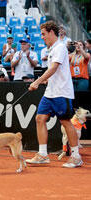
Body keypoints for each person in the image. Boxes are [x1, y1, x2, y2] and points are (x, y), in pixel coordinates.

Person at [26, 20, 83, 168]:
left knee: (65, 122)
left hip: (61, 92)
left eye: (44, 34)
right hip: (50, 92)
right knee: (40, 118)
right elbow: (54, 72)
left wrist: (37, 81)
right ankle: (43, 155)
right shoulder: (53, 49)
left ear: (52, 32)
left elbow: (53, 68)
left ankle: (76, 157)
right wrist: (45, 82)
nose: (42, 37)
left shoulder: (60, 48)